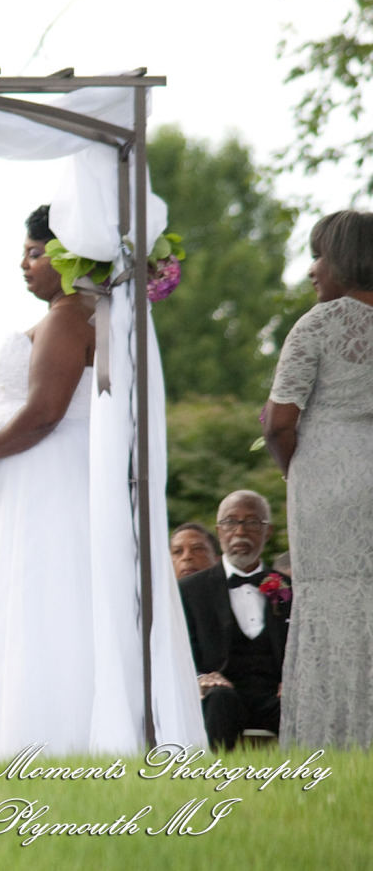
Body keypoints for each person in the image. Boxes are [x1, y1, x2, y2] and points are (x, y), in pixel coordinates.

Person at [0, 205, 98, 757]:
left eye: (33, 253)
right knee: (24, 596)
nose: (23, 264)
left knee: (44, 595)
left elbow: (44, 412)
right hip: (32, 475)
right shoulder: (70, 314)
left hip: (45, 475)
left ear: (64, 255)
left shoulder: (69, 316)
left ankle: (43, 730)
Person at [263, 208, 373, 749]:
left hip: (329, 485)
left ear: (346, 260)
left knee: (328, 606)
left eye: (319, 254)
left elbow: (279, 422)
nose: (313, 269)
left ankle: (331, 747)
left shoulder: (320, 325)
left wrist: (295, 472)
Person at [178, 490, 290, 750]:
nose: (240, 531)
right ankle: (215, 782)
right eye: (230, 522)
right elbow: (178, 649)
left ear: (268, 531)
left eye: (252, 522)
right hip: (221, 693)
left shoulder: (292, 588)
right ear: (219, 532)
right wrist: (199, 676)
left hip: (275, 692)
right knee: (218, 700)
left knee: (302, 705)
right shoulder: (189, 590)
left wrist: (297, 679)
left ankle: (308, 779)